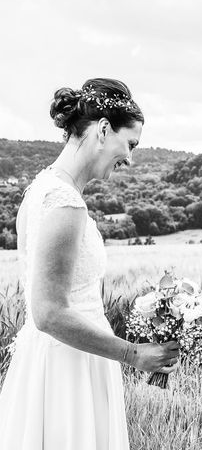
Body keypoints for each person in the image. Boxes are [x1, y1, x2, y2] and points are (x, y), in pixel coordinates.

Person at [0, 78, 180, 450]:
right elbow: (48, 313)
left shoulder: (38, 192)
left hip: (54, 364)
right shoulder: (64, 204)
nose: (129, 158)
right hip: (69, 371)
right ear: (102, 129)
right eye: (130, 144)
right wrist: (133, 354)